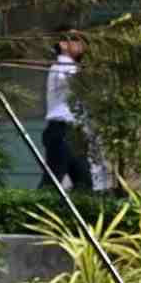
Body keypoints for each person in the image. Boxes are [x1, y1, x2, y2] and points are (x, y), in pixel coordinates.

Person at [42, 28, 94, 194]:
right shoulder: (60, 67)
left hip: (75, 132)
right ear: (63, 44)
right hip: (61, 131)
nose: (81, 44)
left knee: (84, 183)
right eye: (76, 40)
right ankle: (32, 207)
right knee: (52, 183)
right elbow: (78, 82)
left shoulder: (72, 67)